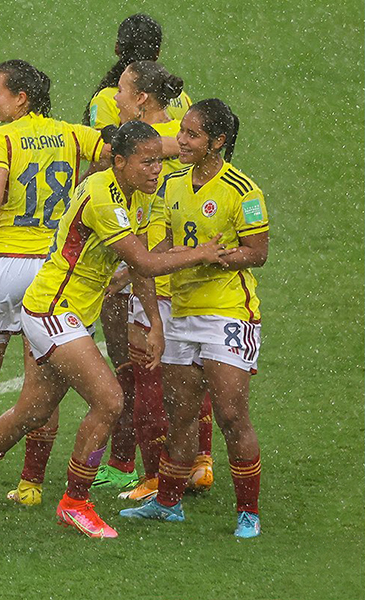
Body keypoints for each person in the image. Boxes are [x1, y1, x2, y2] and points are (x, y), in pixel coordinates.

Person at [0, 121, 231, 538]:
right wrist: (203, 253)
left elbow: (140, 266)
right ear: (120, 162)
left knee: (30, 411)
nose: (155, 170)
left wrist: (157, 324)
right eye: (146, 162)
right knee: (109, 400)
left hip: (69, 311)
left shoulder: (141, 197)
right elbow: (143, 263)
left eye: (158, 162)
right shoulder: (102, 196)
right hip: (53, 309)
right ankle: (76, 502)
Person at [0, 59, 106, 507]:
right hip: (51, 271)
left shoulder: (1, 139)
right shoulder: (74, 134)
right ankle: (32, 484)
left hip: (3, 264)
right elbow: (126, 152)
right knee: (43, 382)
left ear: (21, 98)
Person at [120, 99, 268, 538]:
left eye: (192, 135)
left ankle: (248, 513)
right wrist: (133, 269)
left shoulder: (243, 190)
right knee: (180, 414)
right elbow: (161, 248)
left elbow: (257, 253)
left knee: (230, 414)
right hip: (181, 312)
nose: (180, 141)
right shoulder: (171, 185)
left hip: (227, 314)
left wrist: (216, 259)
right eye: (181, 132)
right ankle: (168, 502)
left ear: (217, 142)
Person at [84, 14, 193, 493]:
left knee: (136, 369)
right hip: (179, 256)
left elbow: (106, 159)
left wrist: (128, 273)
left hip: (140, 252)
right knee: (191, 369)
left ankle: (144, 470)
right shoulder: (185, 106)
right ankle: (193, 461)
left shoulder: (109, 103)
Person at [110, 60, 215, 501]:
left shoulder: (142, 146)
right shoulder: (186, 137)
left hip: (153, 268)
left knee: (149, 378)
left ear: (141, 98)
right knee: (193, 374)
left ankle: (154, 478)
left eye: (121, 90)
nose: (115, 98)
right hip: (190, 272)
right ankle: (200, 463)